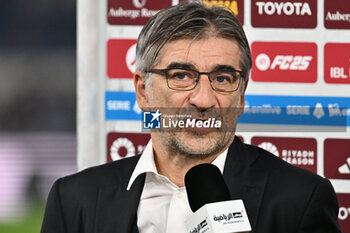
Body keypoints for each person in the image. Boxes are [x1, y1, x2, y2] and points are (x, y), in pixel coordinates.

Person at [41, 2, 342, 233]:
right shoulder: (74, 201)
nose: (203, 99)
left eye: (223, 78)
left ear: (242, 94)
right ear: (143, 91)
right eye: (181, 75)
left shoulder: (299, 199)